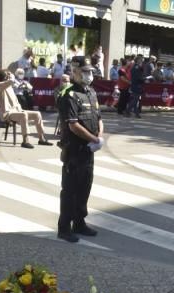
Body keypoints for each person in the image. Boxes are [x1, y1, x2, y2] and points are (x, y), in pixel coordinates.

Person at [57, 56, 103, 243]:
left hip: (89, 150)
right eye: (85, 71)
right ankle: (64, 227)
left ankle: (79, 222)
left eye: (90, 71)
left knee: (85, 187)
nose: (89, 75)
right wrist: (94, 139)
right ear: (74, 72)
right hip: (74, 150)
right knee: (70, 190)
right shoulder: (68, 95)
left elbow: (98, 117)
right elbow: (73, 125)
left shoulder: (91, 92)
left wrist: (99, 137)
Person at [0, 69, 53, 148]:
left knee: (37, 114)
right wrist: (11, 76)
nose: (8, 76)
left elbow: (19, 85)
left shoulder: (8, 85)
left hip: (17, 110)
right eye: (7, 75)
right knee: (23, 115)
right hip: (7, 113)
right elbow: (11, 81)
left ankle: (41, 138)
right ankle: (25, 141)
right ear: (4, 77)